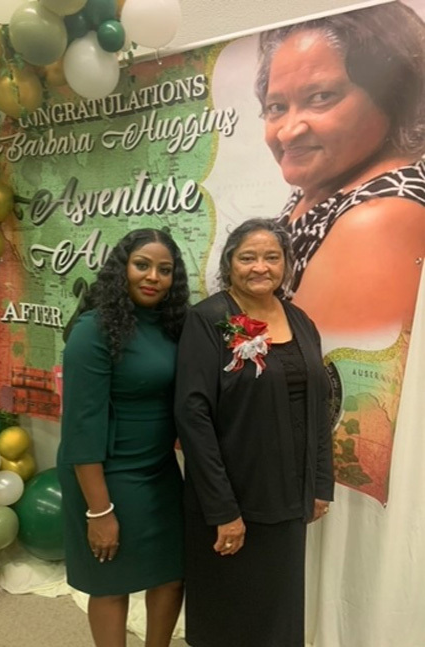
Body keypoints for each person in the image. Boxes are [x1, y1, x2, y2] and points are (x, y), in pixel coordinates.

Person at [174, 218, 334, 647]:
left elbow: (319, 405)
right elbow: (193, 416)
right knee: (230, 609)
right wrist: (223, 510)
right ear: (230, 265)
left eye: (271, 257)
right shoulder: (208, 319)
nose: (260, 267)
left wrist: (320, 482)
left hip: (288, 495)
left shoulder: (300, 321)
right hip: (232, 496)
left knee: (278, 611)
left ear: (286, 264)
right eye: (248, 257)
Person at [255, 2, 425, 334]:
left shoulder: (377, 220)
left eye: (320, 97)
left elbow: (322, 376)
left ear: (392, 94)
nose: (288, 131)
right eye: (276, 106)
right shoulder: (329, 181)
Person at [57, 228, 190, 647]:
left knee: (170, 576)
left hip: (159, 472)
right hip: (105, 472)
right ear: (122, 269)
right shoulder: (93, 331)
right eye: (142, 265)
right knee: (111, 582)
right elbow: (81, 426)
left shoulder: (174, 327)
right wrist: (99, 511)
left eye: (164, 270)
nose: (153, 277)